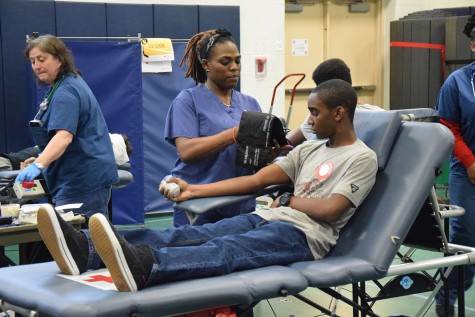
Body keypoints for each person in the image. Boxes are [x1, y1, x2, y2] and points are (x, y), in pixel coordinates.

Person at [36, 79, 377, 293]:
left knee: (226, 251)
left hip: (305, 237)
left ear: (339, 113)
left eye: (315, 113)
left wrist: (289, 198)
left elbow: (332, 209)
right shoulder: (310, 148)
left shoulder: (362, 158)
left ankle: (147, 265)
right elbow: (257, 181)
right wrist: (193, 191)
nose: (310, 120)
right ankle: (87, 249)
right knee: (190, 235)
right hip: (270, 219)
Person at [164, 29, 291, 227]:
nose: (234, 68)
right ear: (206, 65)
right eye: (225, 62)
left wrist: (269, 156)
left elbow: (251, 161)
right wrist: (233, 134)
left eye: (237, 61)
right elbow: (186, 151)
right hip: (200, 204)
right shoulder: (188, 101)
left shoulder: (250, 104)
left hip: (239, 204)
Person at [14, 34, 118, 218]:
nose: (36, 66)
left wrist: (39, 164)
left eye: (42, 59)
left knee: (79, 242)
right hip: (82, 178)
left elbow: (64, 137)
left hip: (81, 183)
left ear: (59, 59)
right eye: (32, 61)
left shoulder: (65, 93)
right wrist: (42, 157)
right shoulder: (68, 83)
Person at [434, 13, 475, 317]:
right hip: (467, 172)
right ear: (473, 45)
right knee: (466, 240)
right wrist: (471, 163)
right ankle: (446, 298)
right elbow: (448, 127)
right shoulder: (458, 83)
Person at [287, 58, 383, 146]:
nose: (310, 121)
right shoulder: (380, 115)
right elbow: (286, 144)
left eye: (319, 89)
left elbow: (287, 143)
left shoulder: (377, 116)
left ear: (338, 113)